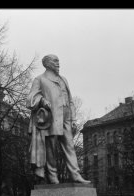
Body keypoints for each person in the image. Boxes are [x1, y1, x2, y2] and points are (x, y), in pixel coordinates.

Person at [26, 54, 91, 184]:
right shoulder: (40, 79)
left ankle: (75, 174)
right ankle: (53, 176)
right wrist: (43, 100)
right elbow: (31, 99)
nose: (58, 64)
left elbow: (70, 100)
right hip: (51, 117)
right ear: (47, 63)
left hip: (66, 116)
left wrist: (73, 119)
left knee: (70, 146)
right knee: (51, 148)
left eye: (58, 61)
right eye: (55, 61)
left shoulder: (64, 79)